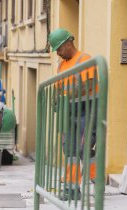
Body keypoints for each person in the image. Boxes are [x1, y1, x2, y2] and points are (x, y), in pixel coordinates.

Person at [48, 28, 97, 198]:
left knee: (84, 148)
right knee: (69, 149)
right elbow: (59, 86)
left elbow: (88, 85)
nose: (58, 54)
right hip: (68, 112)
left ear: (68, 43)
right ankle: (71, 188)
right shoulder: (62, 65)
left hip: (86, 110)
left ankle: (96, 180)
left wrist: (66, 98)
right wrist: (56, 101)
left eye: (59, 49)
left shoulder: (85, 60)